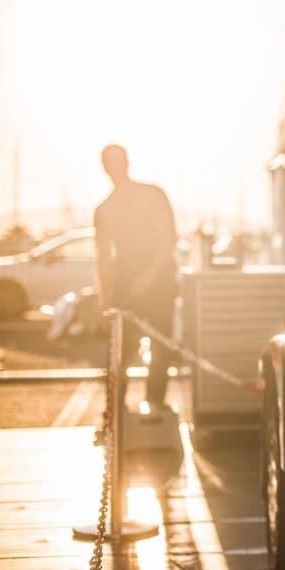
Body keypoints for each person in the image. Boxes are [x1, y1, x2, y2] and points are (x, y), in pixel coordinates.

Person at [94, 145, 178, 409]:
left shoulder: (153, 195)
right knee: (120, 352)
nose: (115, 168)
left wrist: (148, 278)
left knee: (160, 348)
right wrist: (105, 298)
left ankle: (155, 405)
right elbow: (103, 257)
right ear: (105, 168)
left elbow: (168, 241)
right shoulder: (105, 209)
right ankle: (116, 414)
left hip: (159, 283)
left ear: (127, 162)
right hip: (125, 286)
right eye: (111, 163)